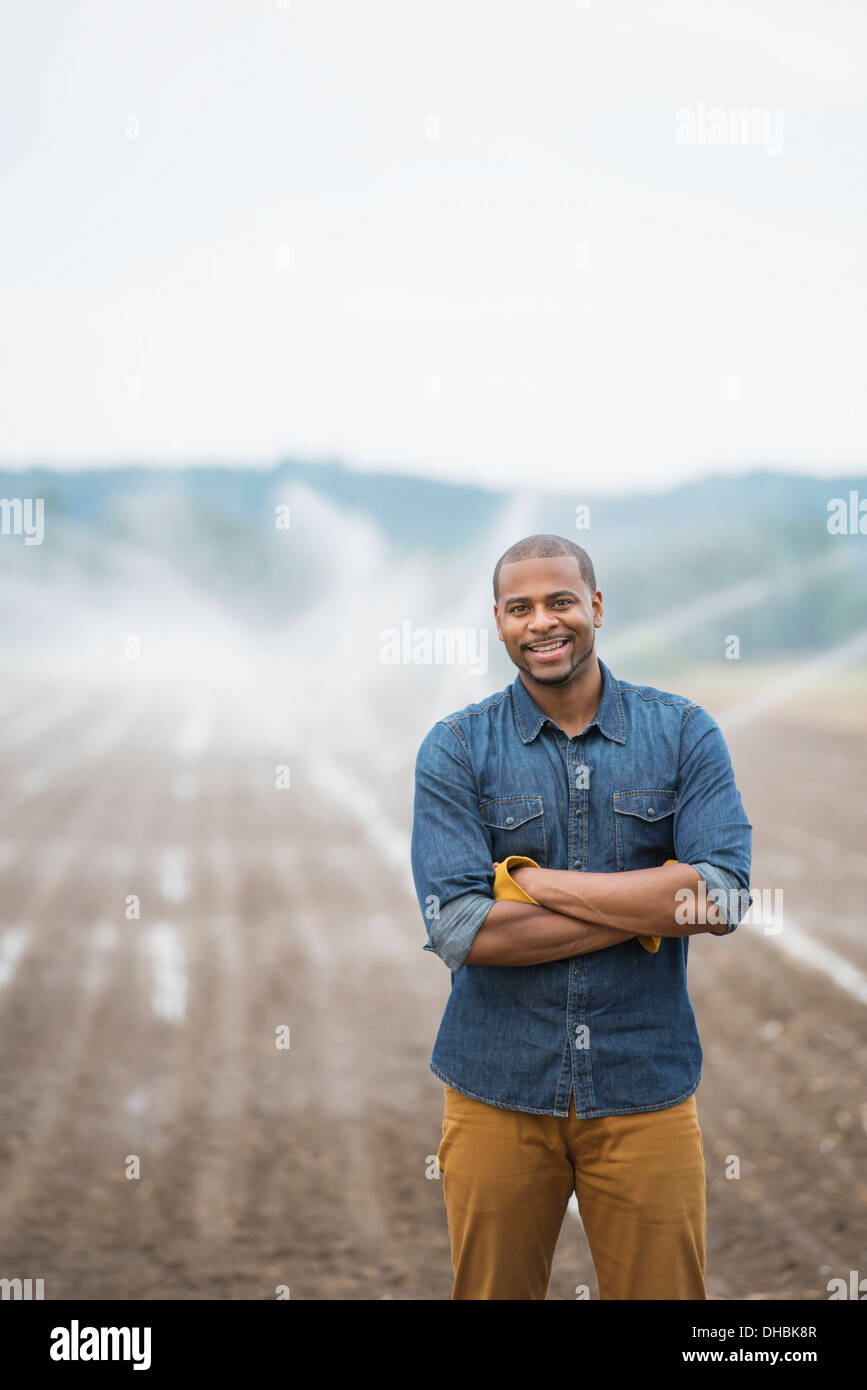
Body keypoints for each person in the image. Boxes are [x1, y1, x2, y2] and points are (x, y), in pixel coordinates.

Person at [410, 534, 752, 1300]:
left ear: (594, 606)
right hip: (495, 1086)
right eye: (519, 607)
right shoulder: (455, 747)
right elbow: (463, 929)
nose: (542, 622)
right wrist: (650, 905)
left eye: (559, 601)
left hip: (645, 1085)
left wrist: (531, 884)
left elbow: (721, 895)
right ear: (497, 622)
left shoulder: (682, 732)